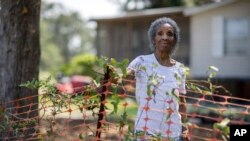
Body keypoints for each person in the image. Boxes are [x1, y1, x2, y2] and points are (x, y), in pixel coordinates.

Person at [127, 17, 189, 141]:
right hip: (146, 131)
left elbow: (181, 102)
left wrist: (185, 128)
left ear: (174, 40)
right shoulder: (141, 62)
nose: (165, 37)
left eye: (169, 34)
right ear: (153, 39)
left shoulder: (180, 69)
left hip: (173, 133)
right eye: (160, 33)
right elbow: (124, 77)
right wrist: (117, 76)